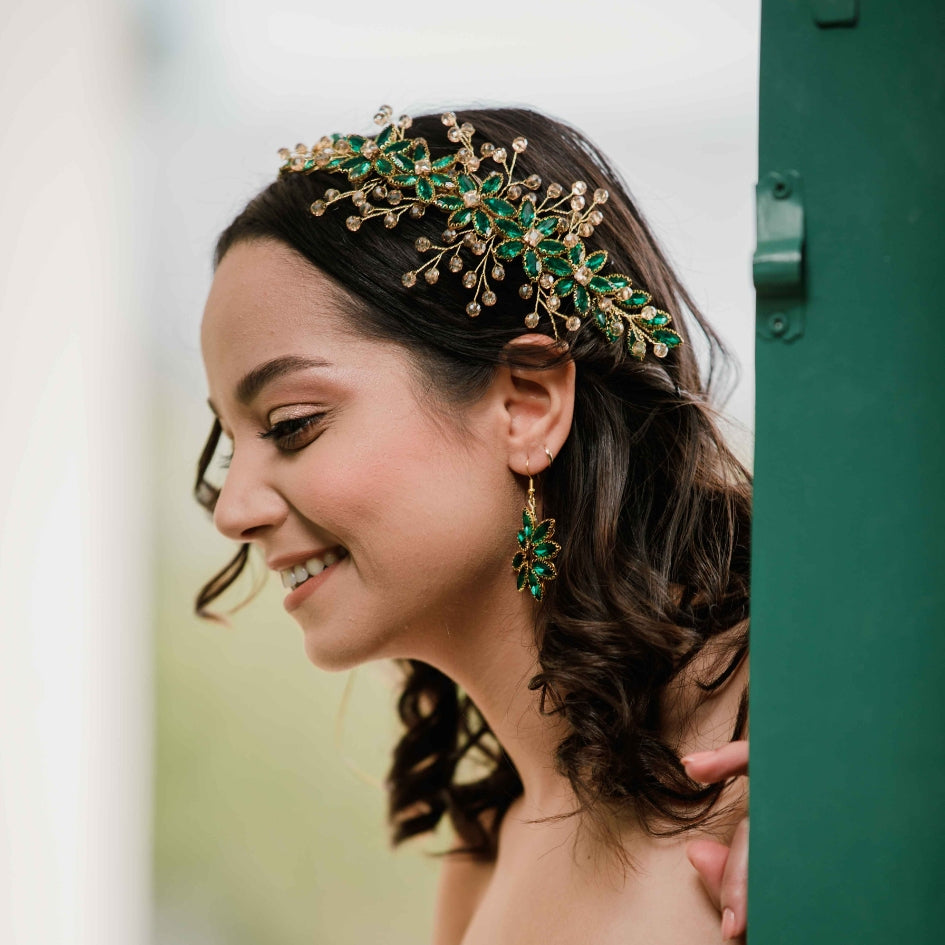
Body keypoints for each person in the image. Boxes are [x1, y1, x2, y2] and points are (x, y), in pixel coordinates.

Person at [194, 105, 750, 944]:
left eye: (294, 421)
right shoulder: (485, 858)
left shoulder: (795, 742)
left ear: (527, 404)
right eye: (227, 443)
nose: (235, 509)